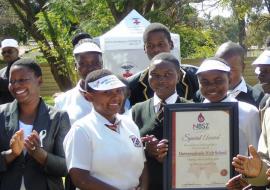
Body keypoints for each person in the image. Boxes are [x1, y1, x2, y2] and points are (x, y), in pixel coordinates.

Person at [63, 69, 147, 190]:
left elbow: (143, 165)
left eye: (118, 91)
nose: (115, 96)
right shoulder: (81, 130)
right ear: (89, 97)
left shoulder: (130, 124)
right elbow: (80, 179)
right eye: (107, 92)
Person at [0, 58, 71, 189]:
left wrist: (41, 155)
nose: (15, 85)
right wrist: (11, 154)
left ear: (40, 80)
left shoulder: (58, 118)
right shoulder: (1, 114)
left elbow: (66, 167)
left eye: (22, 80)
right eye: (12, 81)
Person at [132, 52, 190, 190]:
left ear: (179, 77)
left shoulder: (190, 109)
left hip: (183, 184)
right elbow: (130, 148)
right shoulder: (137, 111)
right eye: (155, 75)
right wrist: (147, 149)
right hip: (149, 185)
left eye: (168, 74)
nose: (161, 80)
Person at [196, 57, 260, 156]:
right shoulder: (191, 115)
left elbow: (256, 153)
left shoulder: (248, 112)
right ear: (198, 83)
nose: (212, 86)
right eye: (205, 82)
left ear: (229, 80)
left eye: (218, 81)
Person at [128, 22, 198, 106]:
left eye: (161, 44)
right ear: (144, 49)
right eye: (150, 46)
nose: (156, 49)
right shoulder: (133, 85)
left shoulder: (195, 77)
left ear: (171, 44)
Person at [54, 34, 103, 125]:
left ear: (102, 64)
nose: (90, 67)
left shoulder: (117, 96)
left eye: (95, 62)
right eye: (83, 63)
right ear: (75, 66)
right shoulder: (62, 102)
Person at [215, 41, 264, 108]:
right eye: (219, 68)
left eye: (231, 69)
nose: (224, 74)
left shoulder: (257, 98)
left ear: (243, 68)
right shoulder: (203, 96)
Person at [0, 38, 20, 104]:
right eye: (4, 52)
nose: (6, 54)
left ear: (17, 52)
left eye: (9, 51)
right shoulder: (2, 71)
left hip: (20, 110)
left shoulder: (25, 67)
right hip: (3, 111)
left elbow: (16, 86)